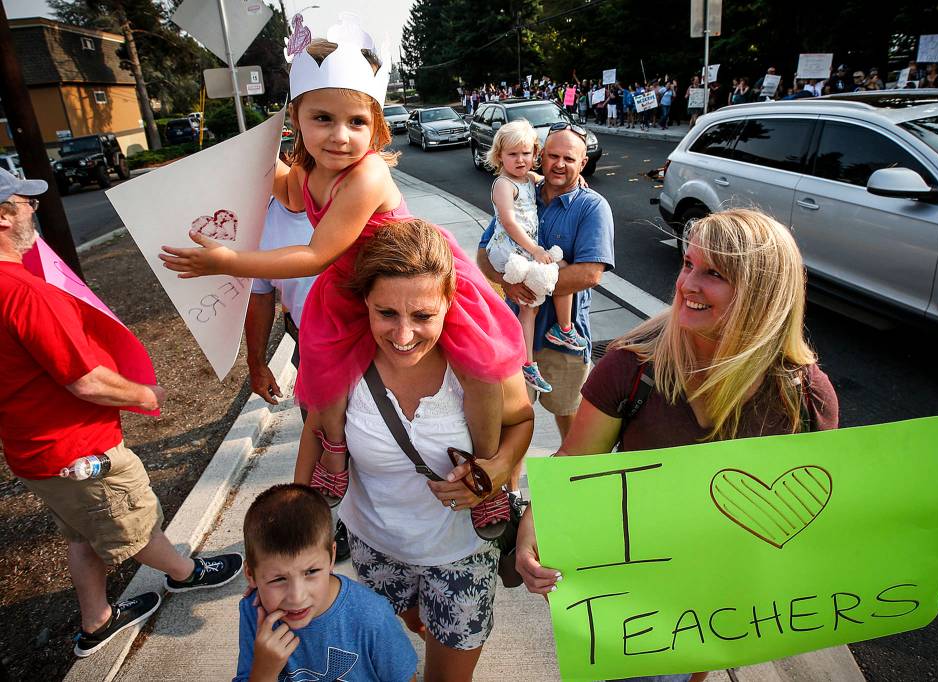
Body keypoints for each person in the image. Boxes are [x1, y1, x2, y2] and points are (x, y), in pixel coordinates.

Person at [514, 208, 938, 681]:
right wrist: (535, 523)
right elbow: (576, 464)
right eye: (689, 264)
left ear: (764, 292)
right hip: (638, 602)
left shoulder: (805, 395)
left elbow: (840, 510)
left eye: (715, 274)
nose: (687, 284)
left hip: (727, 603)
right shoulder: (632, 366)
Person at [159, 32, 525, 497]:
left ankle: (482, 467)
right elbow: (286, 192)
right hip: (353, 283)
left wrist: (228, 260)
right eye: (323, 119)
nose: (340, 135)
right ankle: (335, 452)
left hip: (411, 277)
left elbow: (316, 254)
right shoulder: (308, 172)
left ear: (375, 126)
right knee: (322, 368)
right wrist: (248, 158)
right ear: (295, 119)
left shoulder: (368, 173)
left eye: (356, 121)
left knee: (480, 366)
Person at [0, 168, 243, 658]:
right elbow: (84, 379)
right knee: (134, 524)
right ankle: (186, 574)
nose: (34, 211)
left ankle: (97, 622)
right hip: (80, 452)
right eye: (26, 203)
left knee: (84, 534)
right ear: (3, 217)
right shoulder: (26, 293)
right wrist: (142, 395)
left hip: (35, 453)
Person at [337, 219, 534, 680]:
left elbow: (521, 420)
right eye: (386, 313)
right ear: (364, 300)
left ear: (450, 301)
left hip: (461, 552)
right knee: (406, 633)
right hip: (375, 547)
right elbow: (319, 436)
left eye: (423, 316)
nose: (404, 336)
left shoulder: (481, 363)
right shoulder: (342, 360)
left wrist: (495, 471)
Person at [478, 125, 615, 439]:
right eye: (553, 155)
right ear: (542, 156)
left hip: (563, 344)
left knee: (572, 425)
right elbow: (484, 252)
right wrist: (507, 283)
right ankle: (510, 489)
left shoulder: (592, 207)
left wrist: (535, 286)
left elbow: (589, 274)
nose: (560, 163)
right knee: (511, 424)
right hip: (517, 335)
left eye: (569, 158)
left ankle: (572, 486)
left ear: (583, 164)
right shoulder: (521, 192)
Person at [243, 196, 350, 559]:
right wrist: (256, 362)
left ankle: (362, 519)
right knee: (324, 441)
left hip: (363, 344)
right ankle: (340, 523)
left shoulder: (345, 197)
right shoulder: (254, 216)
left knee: (368, 437)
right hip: (309, 345)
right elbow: (260, 296)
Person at [234, 484, 417, 682]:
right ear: (251, 575)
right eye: (278, 579)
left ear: (331, 557)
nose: (297, 597)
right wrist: (264, 672)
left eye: (311, 572)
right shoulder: (255, 611)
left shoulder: (371, 617)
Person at [484, 121, 583, 393]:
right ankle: (533, 357)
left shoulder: (528, 178)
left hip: (524, 249)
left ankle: (558, 333)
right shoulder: (503, 184)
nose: (520, 160)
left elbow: (545, 179)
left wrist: (577, 179)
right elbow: (509, 222)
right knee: (545, 284)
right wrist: (537, 250)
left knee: (535, 302)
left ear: (534, 154)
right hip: (511, 250)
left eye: (526, 154)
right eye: (513, 154)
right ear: (499, 156)